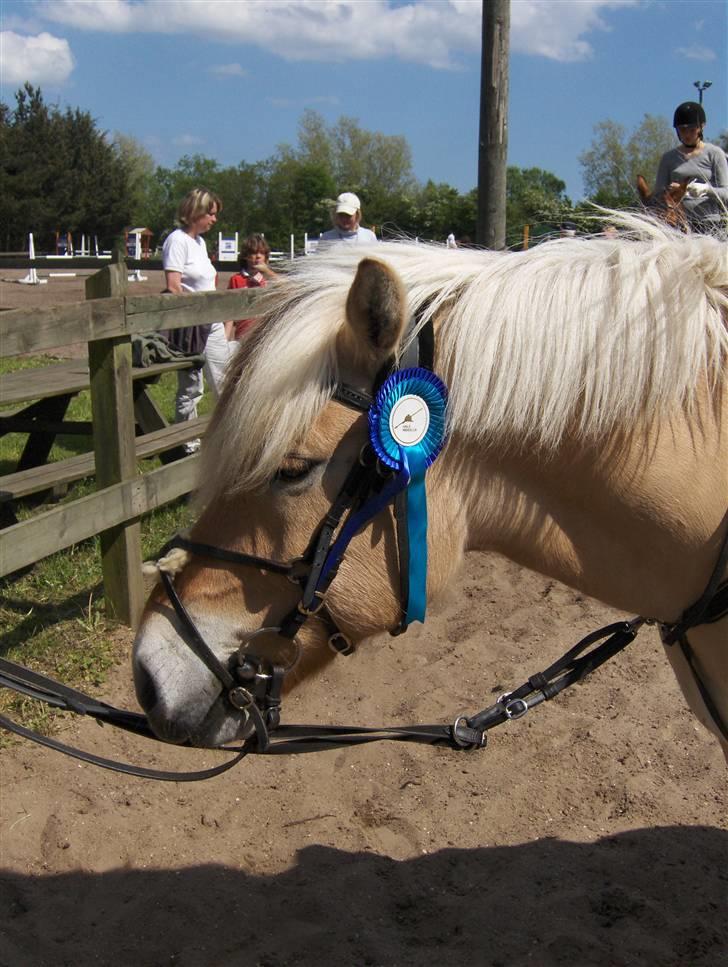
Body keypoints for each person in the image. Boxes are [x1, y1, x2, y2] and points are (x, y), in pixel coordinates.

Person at [162, 187, 232, 451]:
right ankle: (187, 443)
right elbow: (173, 285)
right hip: (191, 325)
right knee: (191, 386)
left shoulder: (200, 243)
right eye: (211, 214)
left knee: (224, 380)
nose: (214, 219)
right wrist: (191, 315)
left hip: (212, 322)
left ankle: (227, 438)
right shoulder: (177, 241)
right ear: (197, 212)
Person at [653, 101, 728, 236]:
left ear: (701, 127)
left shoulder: (715, 154)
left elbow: (726, 193)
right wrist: (671, 191)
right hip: (678, 225)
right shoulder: (668, 158)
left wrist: (706, 190)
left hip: (710, 224)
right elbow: (657, 195)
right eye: (682, 130)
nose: (687, 135)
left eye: (692, 130)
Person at [225, 234, 278, 340]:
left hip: (266, 336)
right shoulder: (236, 279)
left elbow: (288, 287)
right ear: (246, 256)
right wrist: (225, 338)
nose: (258, 256)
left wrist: (267, 272)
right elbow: (230, 311)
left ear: (266, 257)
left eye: (262, 253)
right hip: (243, 335)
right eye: (254, 253)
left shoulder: (269, 277)